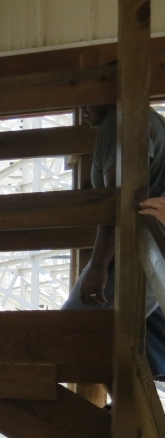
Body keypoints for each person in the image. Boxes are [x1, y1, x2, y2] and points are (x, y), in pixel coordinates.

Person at [63, 104, 165, 377]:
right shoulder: (153, 121)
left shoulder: (118, 124)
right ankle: (122, 411)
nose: (80, 109)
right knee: (109, 340)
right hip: (150, 255)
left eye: (86, 100)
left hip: (134, 253)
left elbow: (118, 202)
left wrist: (97, 266)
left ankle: (125, 413)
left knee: (67, 336)